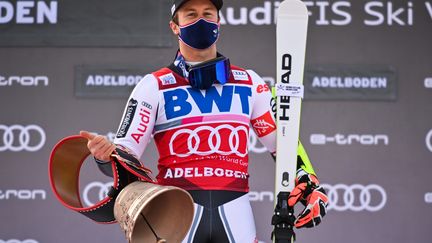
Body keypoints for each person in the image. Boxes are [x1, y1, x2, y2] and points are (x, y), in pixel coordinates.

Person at [81, 0, 328, 242]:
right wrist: (104, 156)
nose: (201, 20)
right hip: (176, 210)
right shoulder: (153, 86)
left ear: (219, 22)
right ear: (174, 26)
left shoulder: (249, 83)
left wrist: (310, 183)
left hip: (235, 210)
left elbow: (282, 147)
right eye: (190, 14)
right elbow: (125, 157)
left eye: (208, 14)